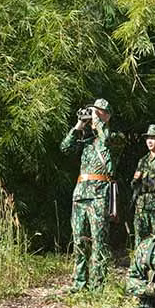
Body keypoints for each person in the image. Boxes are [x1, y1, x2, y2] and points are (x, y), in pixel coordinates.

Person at [60, 98, 117, 292]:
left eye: (99, 112)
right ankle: (79, 282)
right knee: (80, 240)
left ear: (107, 115)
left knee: (99, 241)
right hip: (81, 194)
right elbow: (65, 148)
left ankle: (98, 285)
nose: (94, 115)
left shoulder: (114, 138)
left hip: (99, 195)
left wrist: (99, 123)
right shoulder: (86, 142)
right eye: (93, 111)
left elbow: (107, 140)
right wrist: (79, 124)